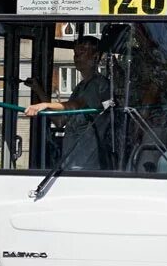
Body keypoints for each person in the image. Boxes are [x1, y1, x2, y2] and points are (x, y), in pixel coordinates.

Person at [23, 36, 112, 167]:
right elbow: (59, 121)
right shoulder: (80, 87)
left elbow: (76, 105)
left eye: (82, 51)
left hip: (88, 165)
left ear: (96, 56)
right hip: (71, 162)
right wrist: (38, 90)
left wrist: (45, 105)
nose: (77, 56)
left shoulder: (99, 84)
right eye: (75, 52)